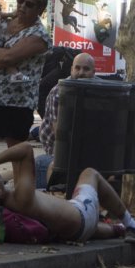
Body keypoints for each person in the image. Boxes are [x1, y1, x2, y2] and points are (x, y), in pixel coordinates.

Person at [0, 142, 135, 244]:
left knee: (95, 226)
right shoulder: (21, 197)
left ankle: (119, 229)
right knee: (90, 173)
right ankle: (131, 225)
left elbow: (18, 161)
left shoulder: (11, 203)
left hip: (76, 232)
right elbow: (25, 149)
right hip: (82, 216)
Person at [0, 0, 52, 154]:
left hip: (17, 102)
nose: (22, 6)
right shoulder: (2, 22)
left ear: (40, 9)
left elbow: (8, 58)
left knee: (17, 157)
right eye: (20, 1)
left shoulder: (39, 35)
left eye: (29, 4)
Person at [36, 53, 96, 190]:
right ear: (71, 70)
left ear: (94, 72)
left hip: (84, 142)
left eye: (86, 69)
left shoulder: (99, 90)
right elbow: (61, 136)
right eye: (77, 68)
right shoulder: (59, 92)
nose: (81, 73)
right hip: (57, 146)